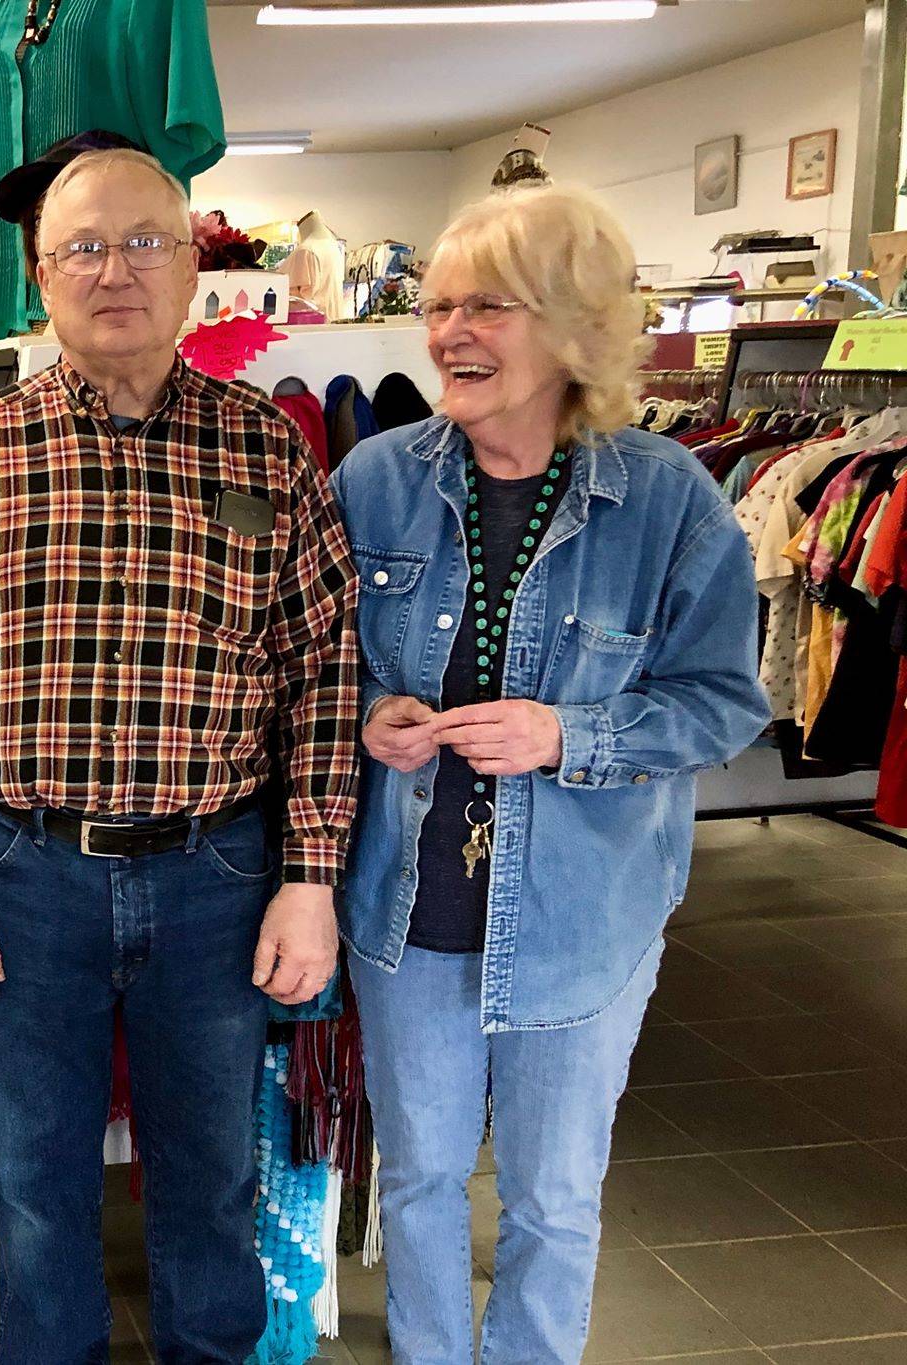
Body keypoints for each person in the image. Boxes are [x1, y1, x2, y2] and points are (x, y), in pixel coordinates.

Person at [0, 140, 362, 1364]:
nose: (115, 270)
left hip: (217, 877)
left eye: (143, 240)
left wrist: (308, 879)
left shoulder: (267, 453)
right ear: (41, 278)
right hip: (21, 876)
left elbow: (318, 679)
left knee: (207, 1183)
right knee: (35, 1191)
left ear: (192, 262)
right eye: (80, 248)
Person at [330, 184, 772, 1365]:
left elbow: (725, 704)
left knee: (551, 1198)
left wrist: (566, 736)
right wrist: (368, 716)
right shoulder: (373, 479)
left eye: (487, 306)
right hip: (405, 907)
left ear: (573, 323)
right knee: (418, 1179)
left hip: (582, 917)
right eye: (436, 306)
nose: (448, 333)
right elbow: (309, 675)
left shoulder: (667, 499)